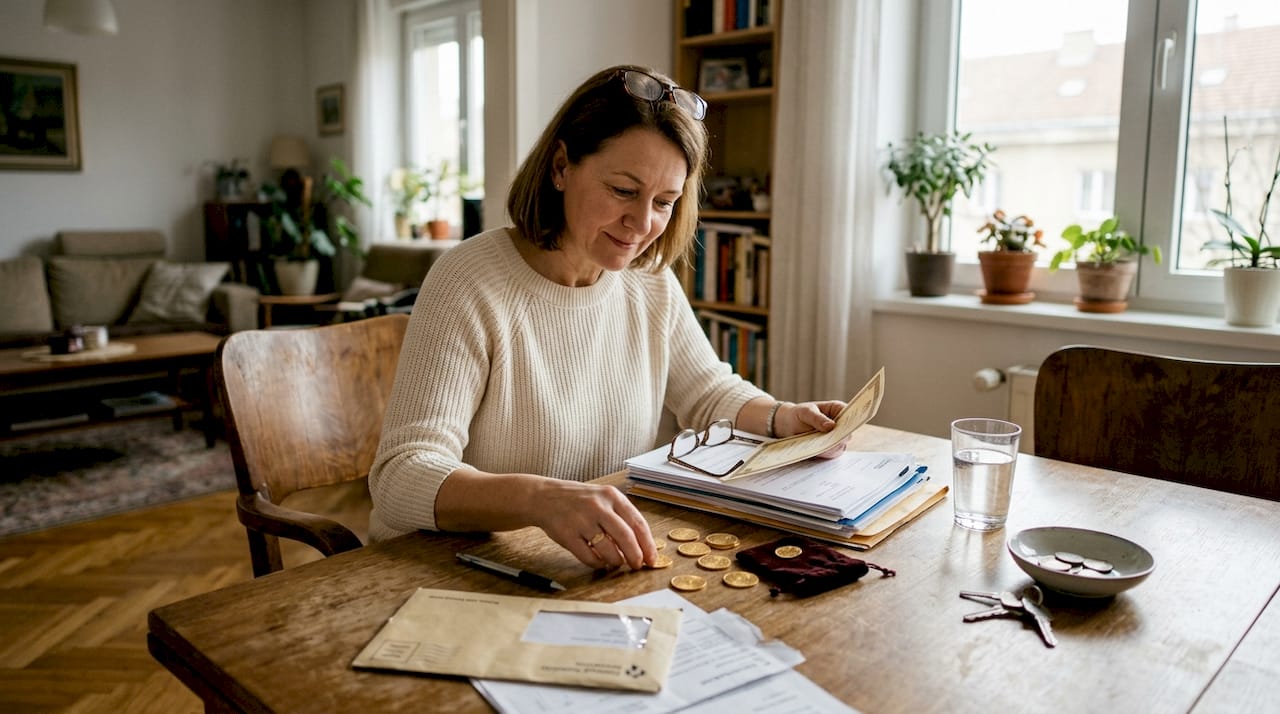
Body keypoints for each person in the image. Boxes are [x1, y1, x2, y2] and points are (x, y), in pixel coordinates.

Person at [368, 64, 846, 572]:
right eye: (623, 190)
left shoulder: (647, 278)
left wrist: (782, 418)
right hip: (445, 567)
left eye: (664, 202)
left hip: (582, 563)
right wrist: (539, 499)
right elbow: (400, 477)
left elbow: (707, 392)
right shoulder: (468, 281)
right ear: (560, 167)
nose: (642, 225)